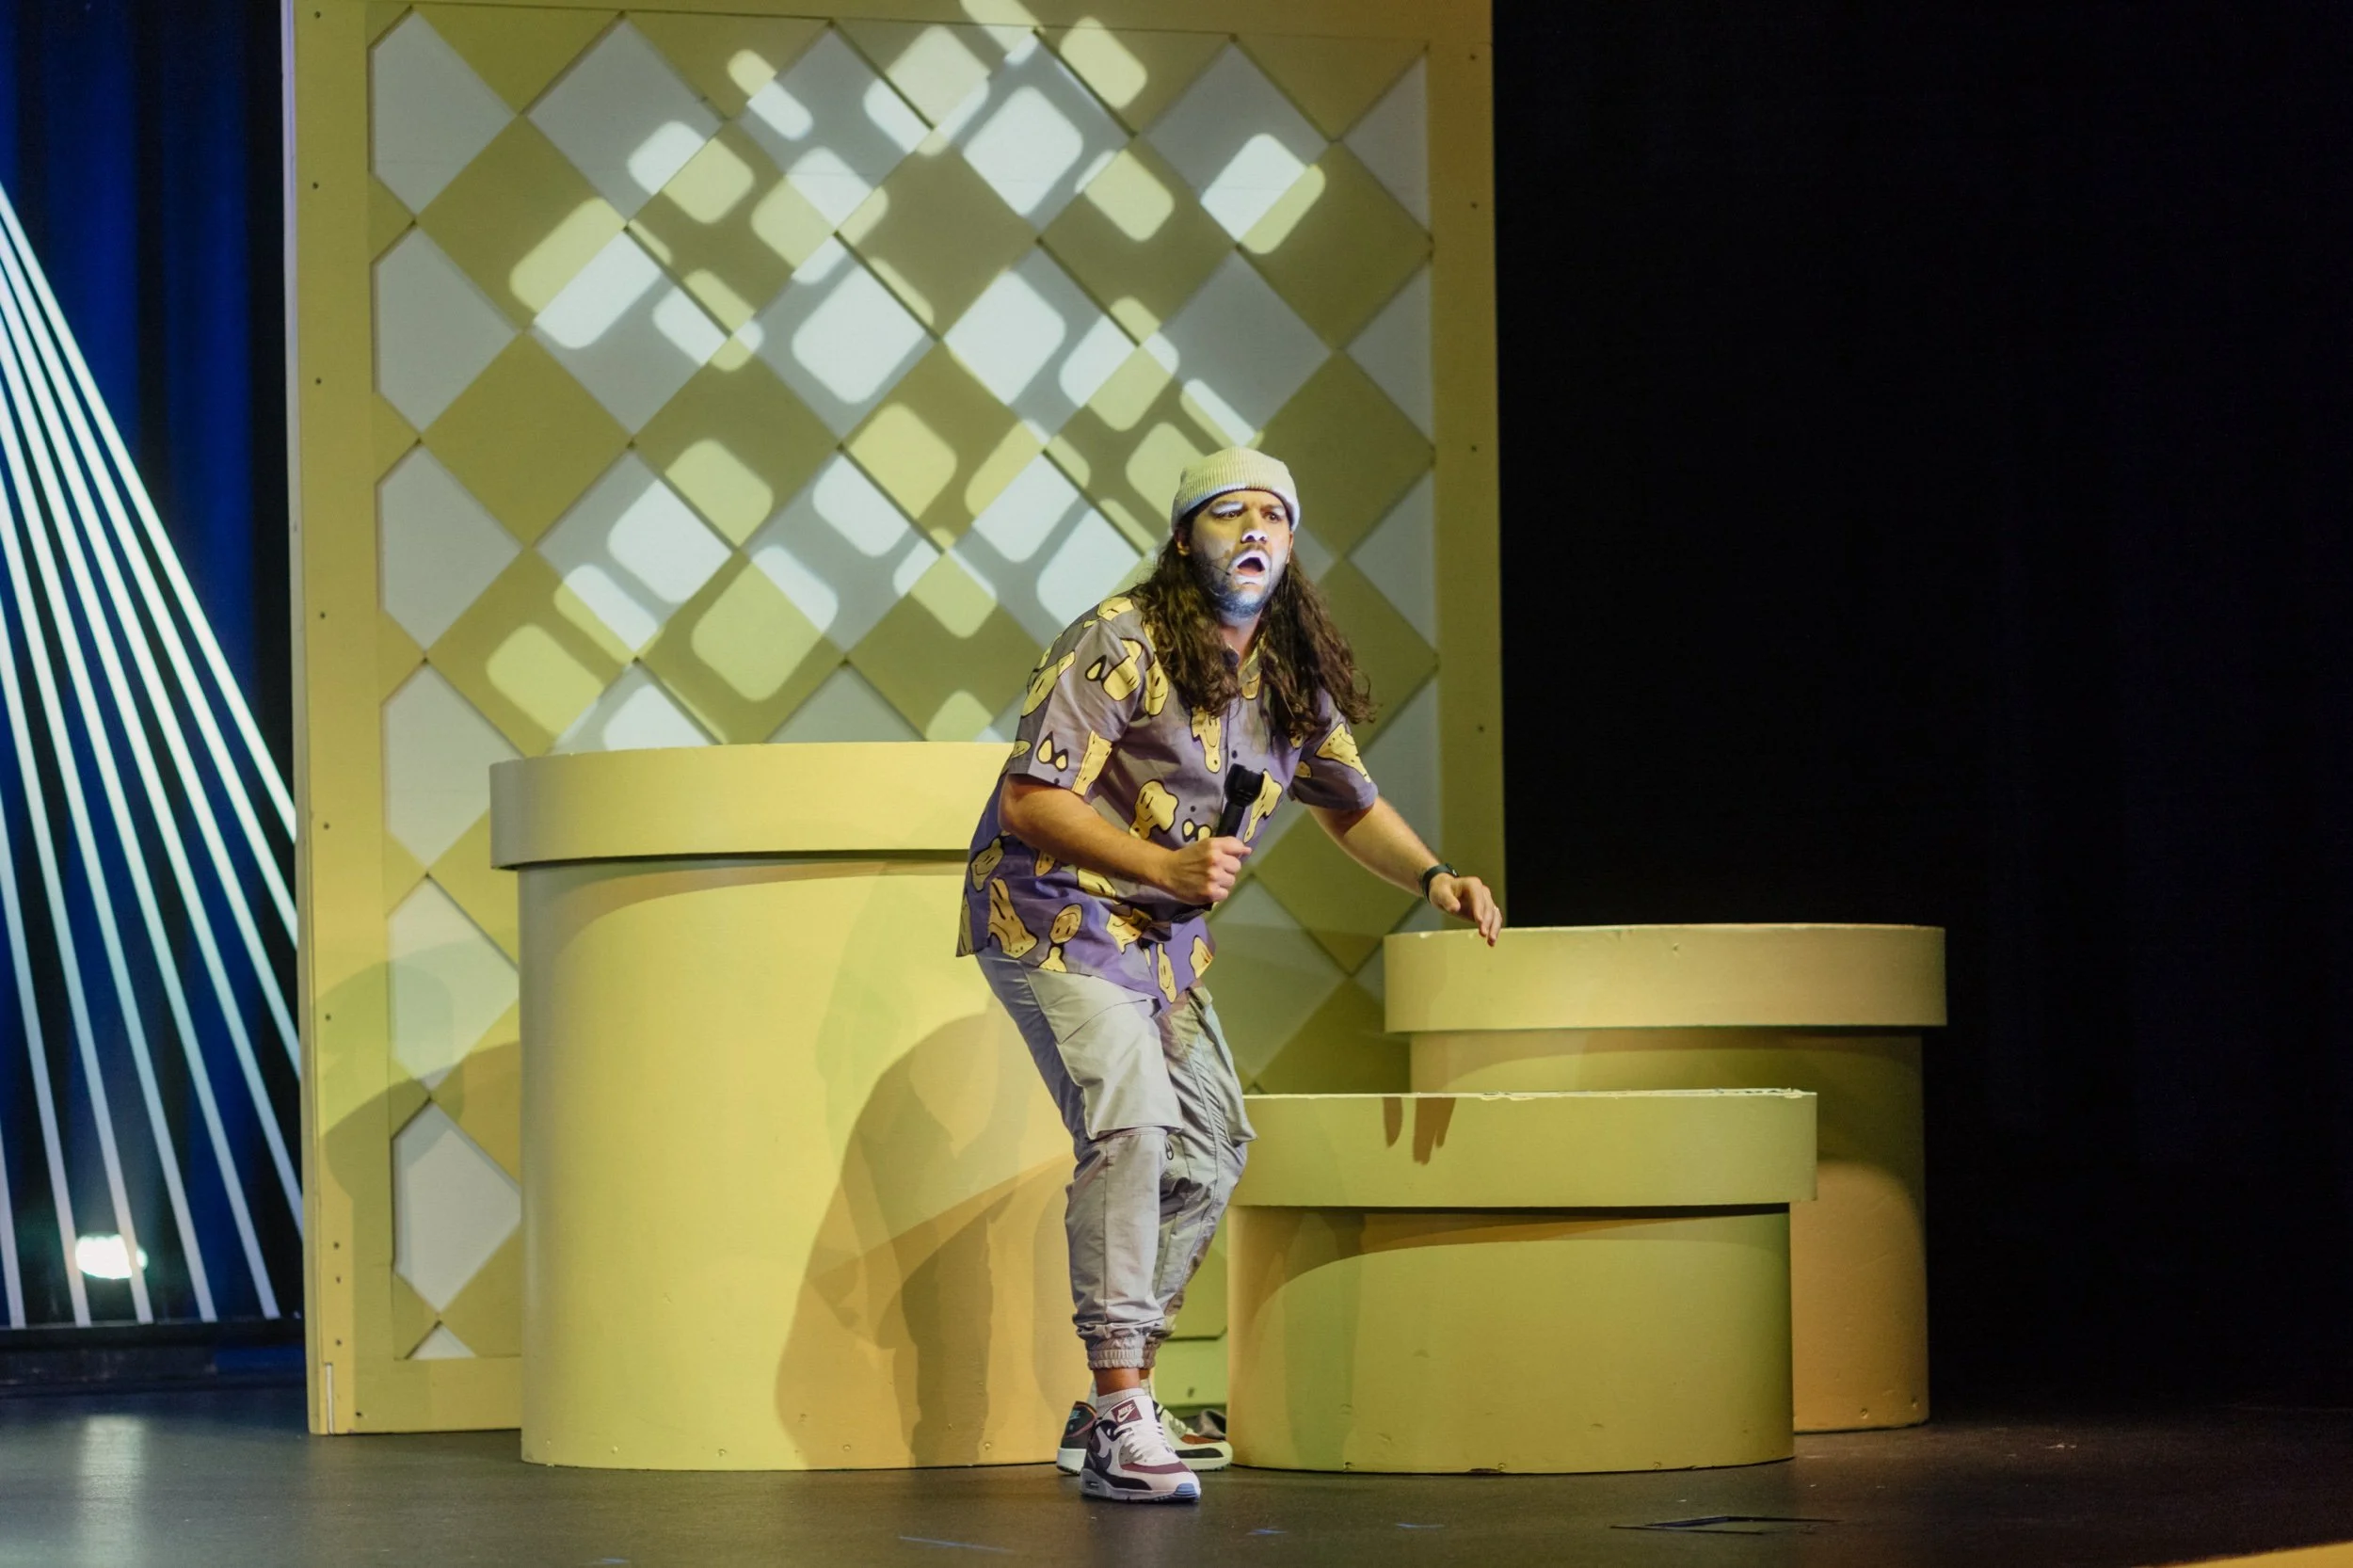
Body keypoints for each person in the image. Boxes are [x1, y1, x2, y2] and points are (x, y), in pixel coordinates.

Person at [957, 448, 1503, 1502]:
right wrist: (1160, 864)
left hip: (1158, 945)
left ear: (1290, 545)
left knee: (1209, 1152)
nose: (1254, 528)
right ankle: (1122, 1406)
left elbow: (1347, 800)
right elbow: (1031, 799)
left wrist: (1434, 877)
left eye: (1273, 515)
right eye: (1227, 512)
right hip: (1051, 916)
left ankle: (1109, 1403)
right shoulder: (1118, 639)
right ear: (1182, 539)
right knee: (1130, 1126)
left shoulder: (1286, 668)